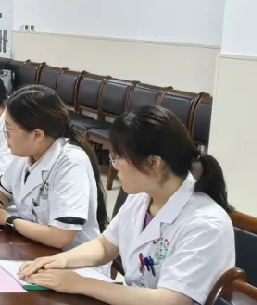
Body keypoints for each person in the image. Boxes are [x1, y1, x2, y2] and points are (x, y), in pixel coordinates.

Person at [18, 105, 234, 305]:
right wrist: (60, 260)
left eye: (118, 157)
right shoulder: (143, 196)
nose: (115, 166)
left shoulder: (205, 224)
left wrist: (80, 284)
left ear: (154, 163)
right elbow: (105, 246)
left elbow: (170, 300)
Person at [0, 85, 108, 253]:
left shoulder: (71, 163)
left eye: (8, 131)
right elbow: (0, 190)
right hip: (33, 247)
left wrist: (7, 220)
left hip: (72, 258)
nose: (6, 138)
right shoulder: (26, 154)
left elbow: (61, 236)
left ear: (37, 135)